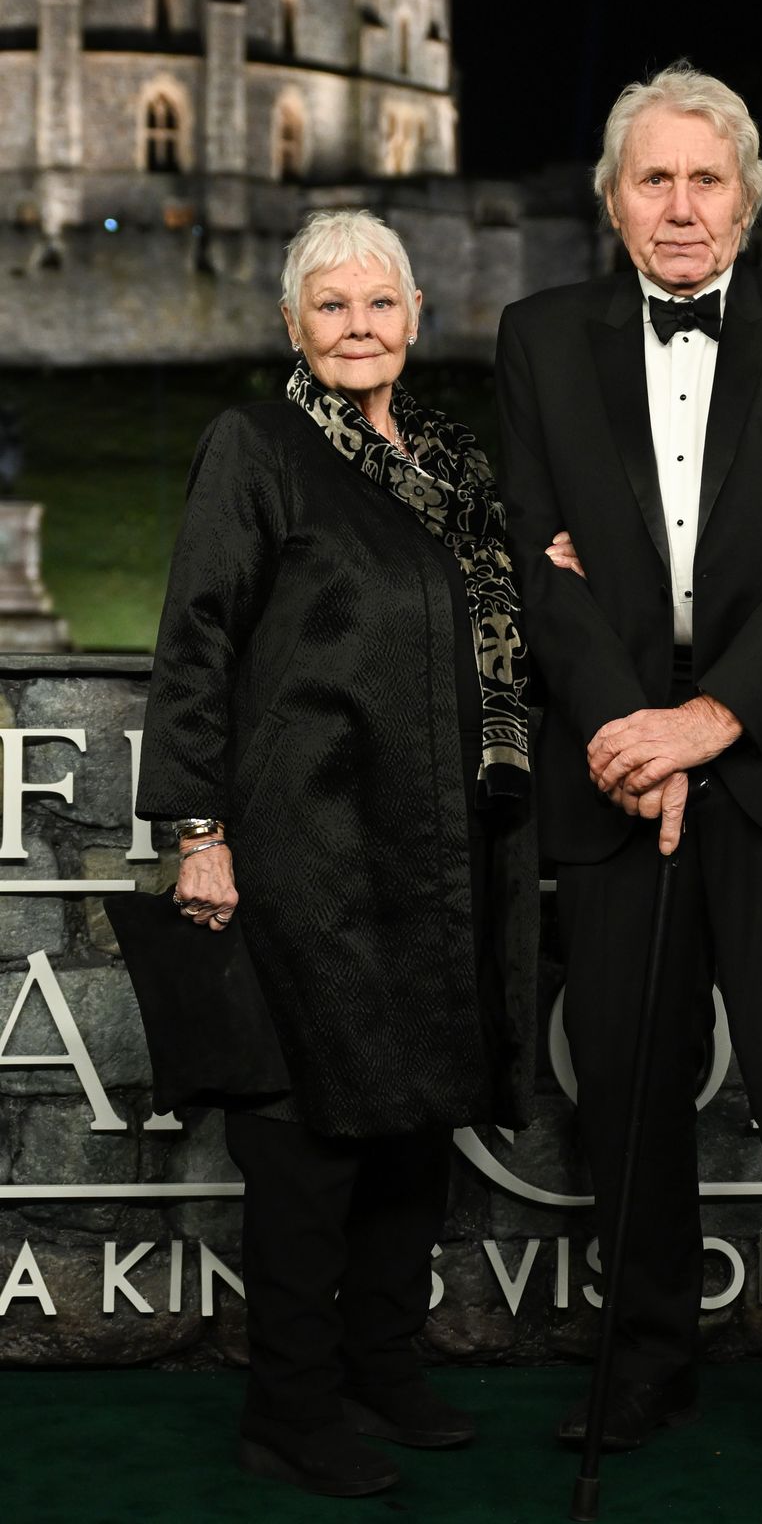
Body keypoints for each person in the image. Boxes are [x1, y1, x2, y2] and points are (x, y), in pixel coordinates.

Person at [495, 63, 762, 1500]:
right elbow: (531, 559)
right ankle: (646, 1362)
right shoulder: (538, 340)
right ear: (613, 203)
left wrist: (712, 719)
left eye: (706, 179)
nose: (680, 206)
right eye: (652, 179)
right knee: (620, 1093)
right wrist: (631, 728)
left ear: (749, 199)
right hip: (614, 773)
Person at [137, 208, 536, 1500]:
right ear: (294, 329)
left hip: (434, 853)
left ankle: (385, 1365)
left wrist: (563, 571)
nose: (360, 327)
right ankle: (290, 1409)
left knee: (415, 1130)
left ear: (417, 320)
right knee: (307, 1145)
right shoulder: (254, 446)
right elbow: (197, 636)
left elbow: (503, 616)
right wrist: (197, 829)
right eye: (332, 308)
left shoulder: (454, 468)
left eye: (381, 305)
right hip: (306, 846)